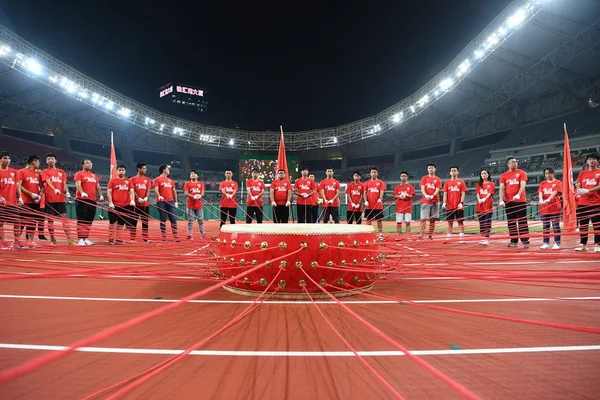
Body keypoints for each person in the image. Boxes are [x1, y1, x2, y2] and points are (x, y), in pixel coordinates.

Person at [41, 153, 75, 245]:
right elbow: (47, 182)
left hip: (60, 199)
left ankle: (70, 239)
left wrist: (67, 192)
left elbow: (64, 184)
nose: (51, 160)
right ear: (46, 161)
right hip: (50, 199)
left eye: (52, 159)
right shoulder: (44, 172)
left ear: (55, 160)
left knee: (65, 219)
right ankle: (52, 238)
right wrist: (54, 189)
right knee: (50, 220)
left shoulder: (61, 171)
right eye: (49, 159)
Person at [499, 157, 530, 248]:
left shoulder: (521, 173)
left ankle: (525, 241)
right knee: (511, 221)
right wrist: (501, 199)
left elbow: (523, 185)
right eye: (512, 162)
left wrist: (518, 194)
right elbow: (502, 188)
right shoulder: (503, 175)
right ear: (508, 164)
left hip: (520, 201)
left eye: (516, 162)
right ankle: (514, 240)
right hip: (509, 201)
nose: (515, 163)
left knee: (522, 220)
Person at [74, 158, 103, 246]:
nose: (89, 164)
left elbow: (98, 187)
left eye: (90, 163)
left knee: (89, 220)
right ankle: (80, 239)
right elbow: (77, 184)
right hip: (82, 200)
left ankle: (86, 238)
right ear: (82, 165)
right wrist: (82, 192)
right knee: (81, 220)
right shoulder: (79, 174)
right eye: (86, 163)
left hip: (92, 200)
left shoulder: (94, 175)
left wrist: (101, 195)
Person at [575, 153, 600, 252]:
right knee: (583, 225)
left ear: (598, 161)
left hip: (596, 203)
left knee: (597, 225)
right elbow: (578, 184)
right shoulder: (582, 173)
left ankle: (597, 244)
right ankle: (583, 244)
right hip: (583, 203)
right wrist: (579, 189)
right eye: (589, 159)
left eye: (594, 159)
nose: (591, 161)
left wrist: (588, 190)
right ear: (587, 161)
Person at [16, 155, 44, 243]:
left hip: (35, 202)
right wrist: (30, 194)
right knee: (22, 223)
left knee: (32, 222)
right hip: (24, 201)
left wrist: (39, 195)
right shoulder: (21, 171)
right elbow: (18, 185)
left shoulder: (38, 174)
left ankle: (30, 241)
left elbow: (42, 186)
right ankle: (17, 241)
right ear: (33, 162)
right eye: (38, 162)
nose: (39, 164)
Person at [107, 164, 135, 245]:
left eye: (123, 170)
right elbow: (109, 192)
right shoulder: (112, 181)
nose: (121, 171)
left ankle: (119, 238)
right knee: (112, 223)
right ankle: (111, 238)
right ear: (117, 171)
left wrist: (132, 200)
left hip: (125, 206)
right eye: (119, 170)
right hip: (114, 205)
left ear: (125, 171)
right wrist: (110, 202)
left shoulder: (129, 181)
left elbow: (132, 191)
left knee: (121, 223)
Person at [153, 164, 179, 241]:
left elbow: (174, 191)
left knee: (173, 219)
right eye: (168, 169)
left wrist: (176, 201)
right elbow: (156, 189)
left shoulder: (170, 180)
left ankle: (175, 236)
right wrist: (159, 196)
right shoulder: (157, 179)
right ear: (164, 170)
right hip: (161, 202)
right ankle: (164, 236)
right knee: (163, 219)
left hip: (170, 202)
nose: (169, 170)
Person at [538, 167, 561, 250]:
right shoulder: (542, 183)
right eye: (546, 173)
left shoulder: (558, 182)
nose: (548, 175)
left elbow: (555, 192)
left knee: (555, 226)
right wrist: (541, 199)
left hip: (555, 207)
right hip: (544, 208)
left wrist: (549, 199)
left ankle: (557, 243)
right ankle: (546, 242)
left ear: (553, 173)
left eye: (549, 173)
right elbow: (540, 192)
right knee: (545, 226)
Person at [442, 166, 467, 243]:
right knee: (450, 222)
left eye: (455, 170)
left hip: (458, 206)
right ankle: (449, 237)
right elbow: (445, 194)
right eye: (452, 170)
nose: (453, 172)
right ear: (450, 172)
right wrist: (444, 202)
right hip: (450, 206)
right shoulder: (447, 183)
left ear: (457, 172)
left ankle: (461, 238)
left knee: (460, 222)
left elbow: (463, 193)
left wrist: (461, 203)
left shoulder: (461, 182)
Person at [0, 151, 20, 248]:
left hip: (12, 202)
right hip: (1, 203)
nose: (7, 160)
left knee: (17, 222)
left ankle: (17, 242)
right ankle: (2, 243)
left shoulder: (14, 172)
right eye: (4, 158)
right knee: (0, 224)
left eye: (8, 158)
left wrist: (19, 196)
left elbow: (17, 185)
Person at [130, 163, 152, 242]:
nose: (145, 170)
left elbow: (148, 190)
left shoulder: (147, 179)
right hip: (135, 204)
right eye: (143, 168)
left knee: (145, 222)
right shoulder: (132, 179)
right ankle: (132, 237)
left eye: (145, 168)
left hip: (145, 204)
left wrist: (146, 197)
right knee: (133, 221)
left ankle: (145, 237)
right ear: (139, 169)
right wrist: (138, 198)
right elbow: (132, 190)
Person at [419, 163, 442, 240]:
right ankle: (421, 235)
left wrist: (433, 195)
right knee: (423, 219)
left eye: (432, 168)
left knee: (433, 219)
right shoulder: (424, 178)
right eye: (429, 168)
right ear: (427, 169)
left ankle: (430, 235)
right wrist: (426, 195)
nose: (430, 169)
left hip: (435, 201)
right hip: (425, 201)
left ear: (435, 169)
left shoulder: (438, 179)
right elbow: (422, 188)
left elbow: (437, 189)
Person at [363, 167, 385, 238]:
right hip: (369, 205)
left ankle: (380, 233)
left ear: (377, 173)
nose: (373, 174)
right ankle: (369, 233)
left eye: (375, 172)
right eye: (372, 172)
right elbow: (365, 192)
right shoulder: (367, 183)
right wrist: (365, 200)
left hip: (378, 205)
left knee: (379, 220)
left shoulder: (380, 182)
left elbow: (382, 191)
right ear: (370, 174)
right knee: (368, 220)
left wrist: (380, 198)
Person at [184, 170, 205, 238]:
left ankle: (203, 234)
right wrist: (193, 196)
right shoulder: (187, 184)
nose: (193, 175)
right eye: (191, 174)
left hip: (199, 205)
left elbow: (202, 192)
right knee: (190, 220)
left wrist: (200, 196)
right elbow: (186, 193)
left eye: (194, 174)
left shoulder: (200, 184)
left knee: (200, 220)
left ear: (197, 176)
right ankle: (189, 234)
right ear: (190, 176)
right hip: (190, 205)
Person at [475, 169, 494, 246]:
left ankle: (486, 238)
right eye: (482, 173)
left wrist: (484, 199)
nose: (484, 175)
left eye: (485, 173)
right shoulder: (478, 184)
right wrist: (479, 199)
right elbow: (477, 193)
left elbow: (490, 193)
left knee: (487, 222)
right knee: (481, 223)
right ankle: (482, 237)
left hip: (488, 205)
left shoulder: (491, 184)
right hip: (480, 206)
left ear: (488, 174)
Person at [393, 171, 415, 235]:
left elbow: (412, 195)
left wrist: (407, 195)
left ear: (407, 177)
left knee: (408, 222)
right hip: (399, 207)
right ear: (400, 177)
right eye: (402, 176)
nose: (403, 177)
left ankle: (408, 235)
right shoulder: (397, 187)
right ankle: (398, 235)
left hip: (408, 207)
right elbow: (394, 195)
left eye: (404, 176)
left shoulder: (410, 186)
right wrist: (399, 196)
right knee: (399, 222)